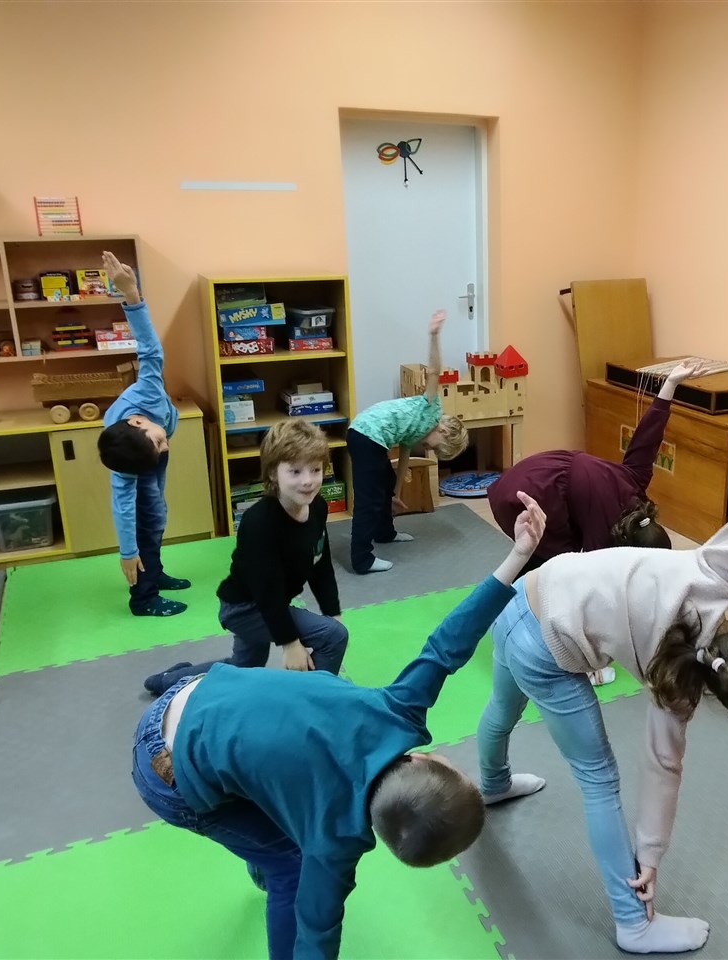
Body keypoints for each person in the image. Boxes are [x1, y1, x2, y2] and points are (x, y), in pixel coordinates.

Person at [476, 411, 728, 954]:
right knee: (598, 780)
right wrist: (650, 857)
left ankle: (492, 783)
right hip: (544, 643)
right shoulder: (676, 687)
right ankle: (633, 923)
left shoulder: (716, 571)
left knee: (502, 707)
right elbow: (663, 771)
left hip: (518, 594)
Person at [131, 491, 547, 960]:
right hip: (166, 772)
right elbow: (317, 933)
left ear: (422, 758)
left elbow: (448, 644)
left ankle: (260, 851)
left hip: (197, 694)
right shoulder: (331, 845)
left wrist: (518, 555)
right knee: (290, 864)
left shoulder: (398, 710)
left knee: (276, 809)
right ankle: (265, 860)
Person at [142, 419, 348, 695]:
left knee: (243, 667)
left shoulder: (318, 507)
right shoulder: (259, 522)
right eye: (295, 471)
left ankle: (173, 679)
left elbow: (320, 564)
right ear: (273, 473)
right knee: (333, 636)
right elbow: (267, 590)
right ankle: (314, 699)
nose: (308, 481)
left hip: (270, 603)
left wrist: (333, 611)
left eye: (315, 469)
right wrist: (290, 643)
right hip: (245, 608)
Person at [487, 359, 710, 575]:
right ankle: (519, 585)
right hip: (523, 497)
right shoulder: (603, 533)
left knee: (556, 560)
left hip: (536, 474)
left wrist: (670, 383)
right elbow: (595, 578)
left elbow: (649, 436)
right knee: (558, 569)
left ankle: (520, 579)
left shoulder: (635, 481)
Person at [96, 251, 188, 617]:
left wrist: (131, 295)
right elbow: (122, 507)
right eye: (162, 442)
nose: (165, 445)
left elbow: (150, 349)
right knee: (144, 522)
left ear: (137, 422)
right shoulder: (126, 459)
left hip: (144, 456)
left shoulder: (147, 394)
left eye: (160, 440)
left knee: (157, 514)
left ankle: (156, 571)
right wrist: (126, 553)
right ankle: (143, 598)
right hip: (139, 460)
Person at [346, 310, 468, 574]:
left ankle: (385, 532)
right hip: (366, 436)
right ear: (443, 430)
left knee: (386, 482)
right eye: (434, 447)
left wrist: (396, 494)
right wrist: (434, 335)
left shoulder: (415, 432)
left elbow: (402, 459)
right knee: (369, 500)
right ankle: (361, 559)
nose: (428, 449)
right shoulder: (432, 408)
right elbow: (434, 371)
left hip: (370, 438)